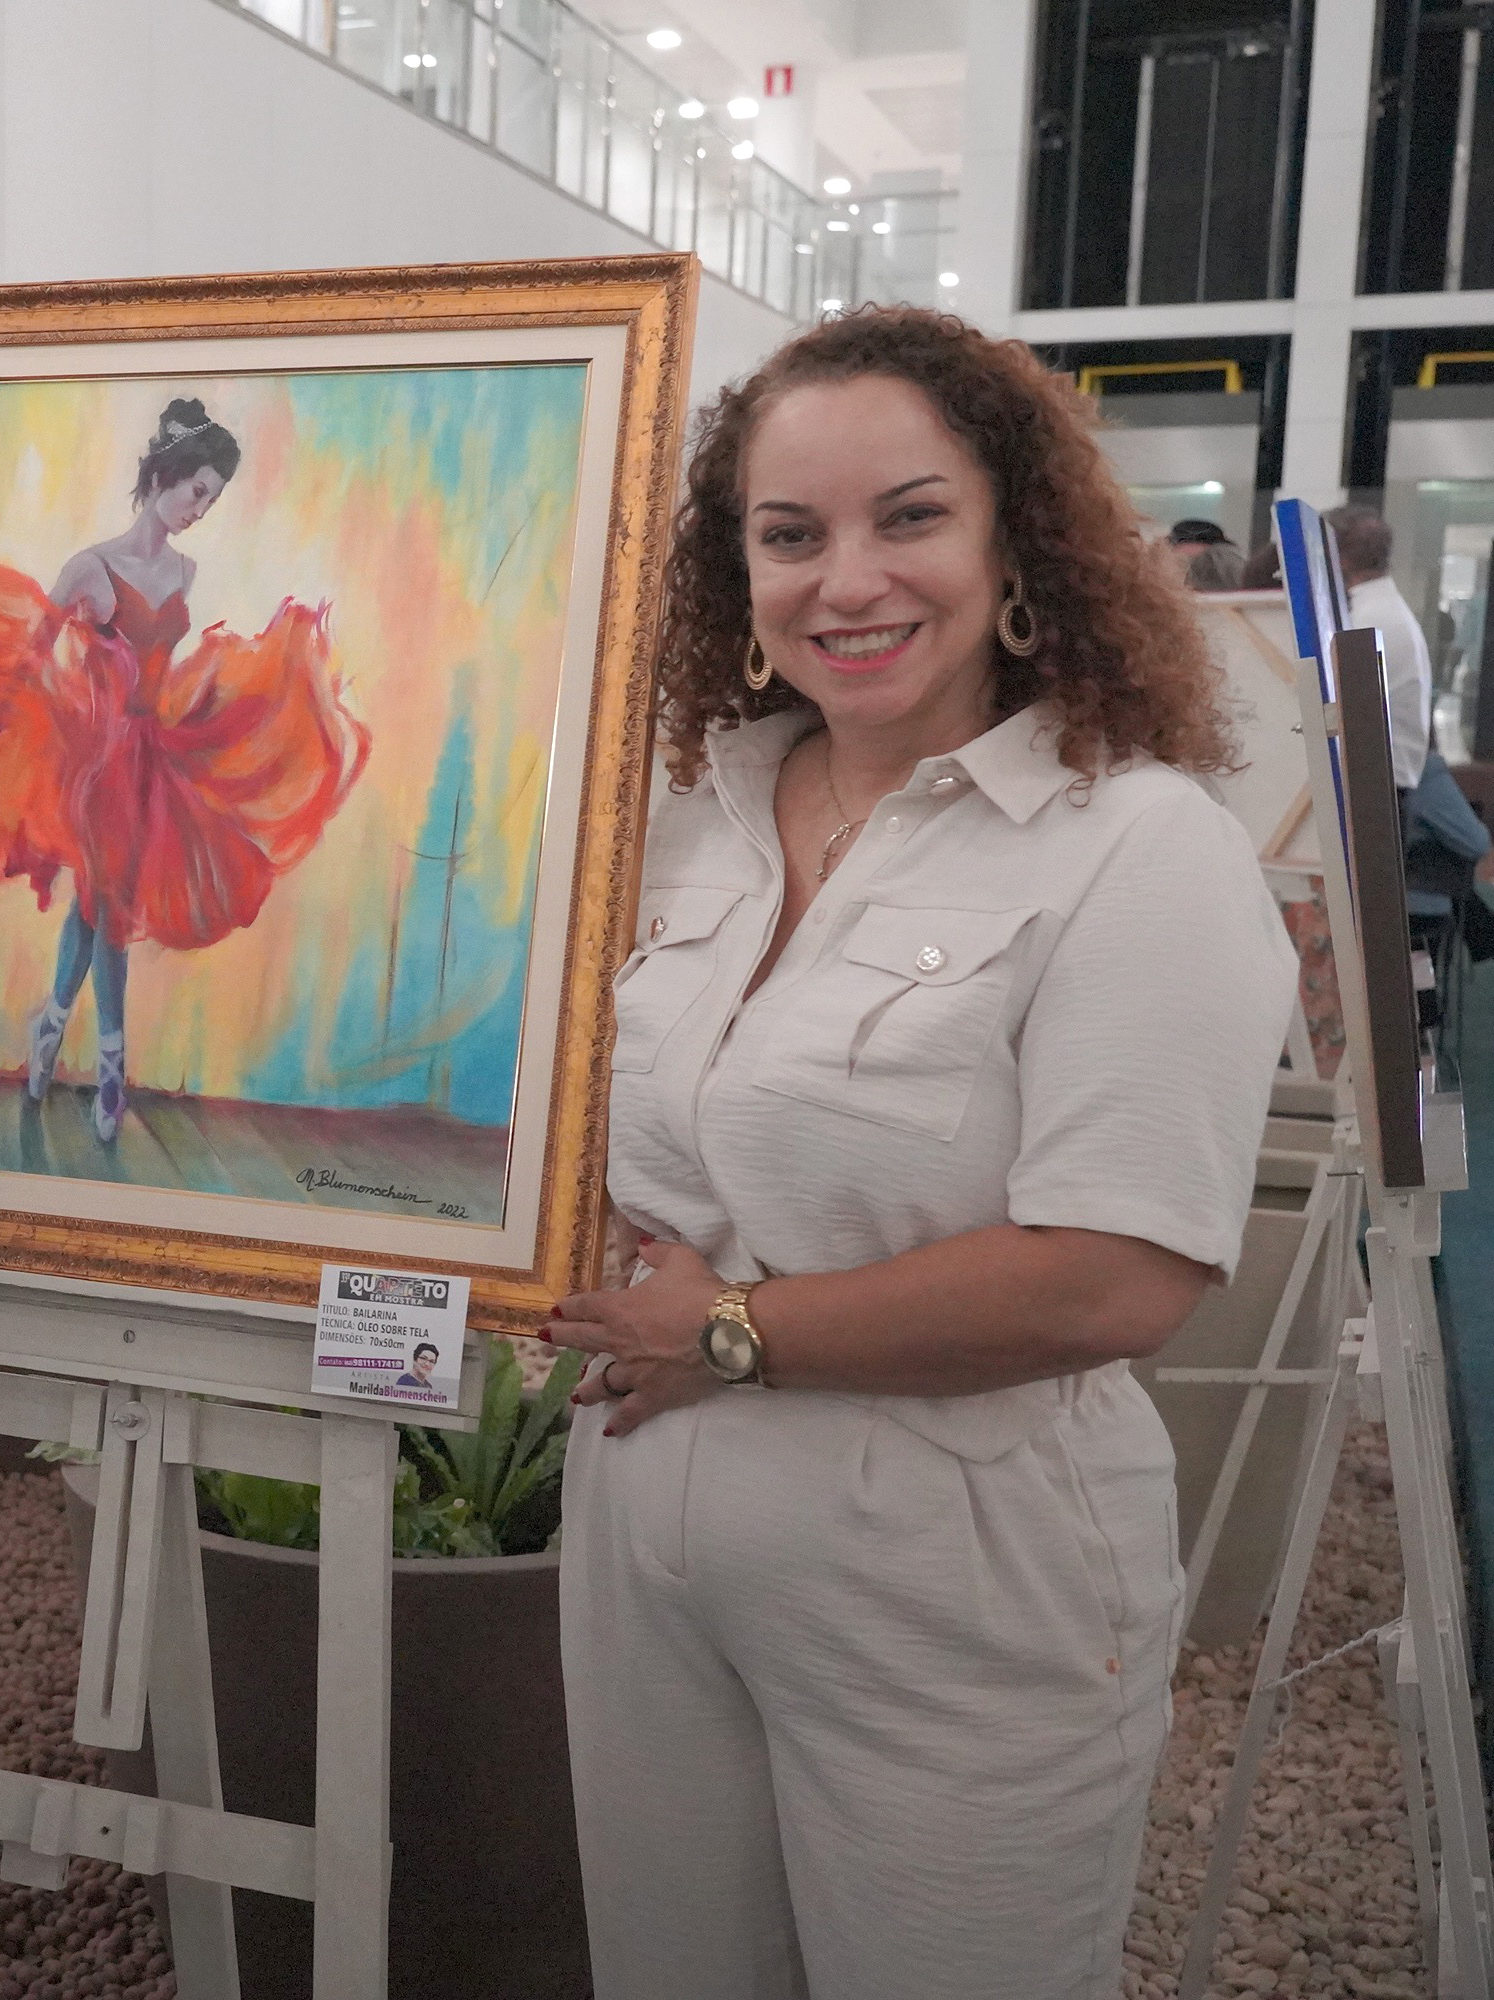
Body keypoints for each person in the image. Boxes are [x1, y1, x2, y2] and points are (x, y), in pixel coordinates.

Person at [542, 305, 1295, 1998]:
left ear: (1014, 538)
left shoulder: (1136, 847)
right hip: (643, 1540)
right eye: (788, 535)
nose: (847, 580)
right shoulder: (678, 822)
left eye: (909, 517)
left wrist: (731, 1330)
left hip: (958, 1582)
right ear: (736, 571)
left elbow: (1112, 1278)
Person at [0, 397, 369, 1142]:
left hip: (153, 757)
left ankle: (51, 1026)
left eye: (212, 500)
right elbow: (35, 653)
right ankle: (112, 1071)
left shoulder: (185, 571)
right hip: (96, 765)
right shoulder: (89, 568)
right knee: (111, 911)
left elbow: (160, 666)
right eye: (197, 491)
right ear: (163, 477)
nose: (201, 510)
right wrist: (14, 711)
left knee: (98, 908)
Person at [1324, 502, 1433, 789]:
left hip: (1376, 784)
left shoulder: (1363, 621)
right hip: (1389, 777)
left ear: (1339, 558)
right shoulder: (1385, 609)